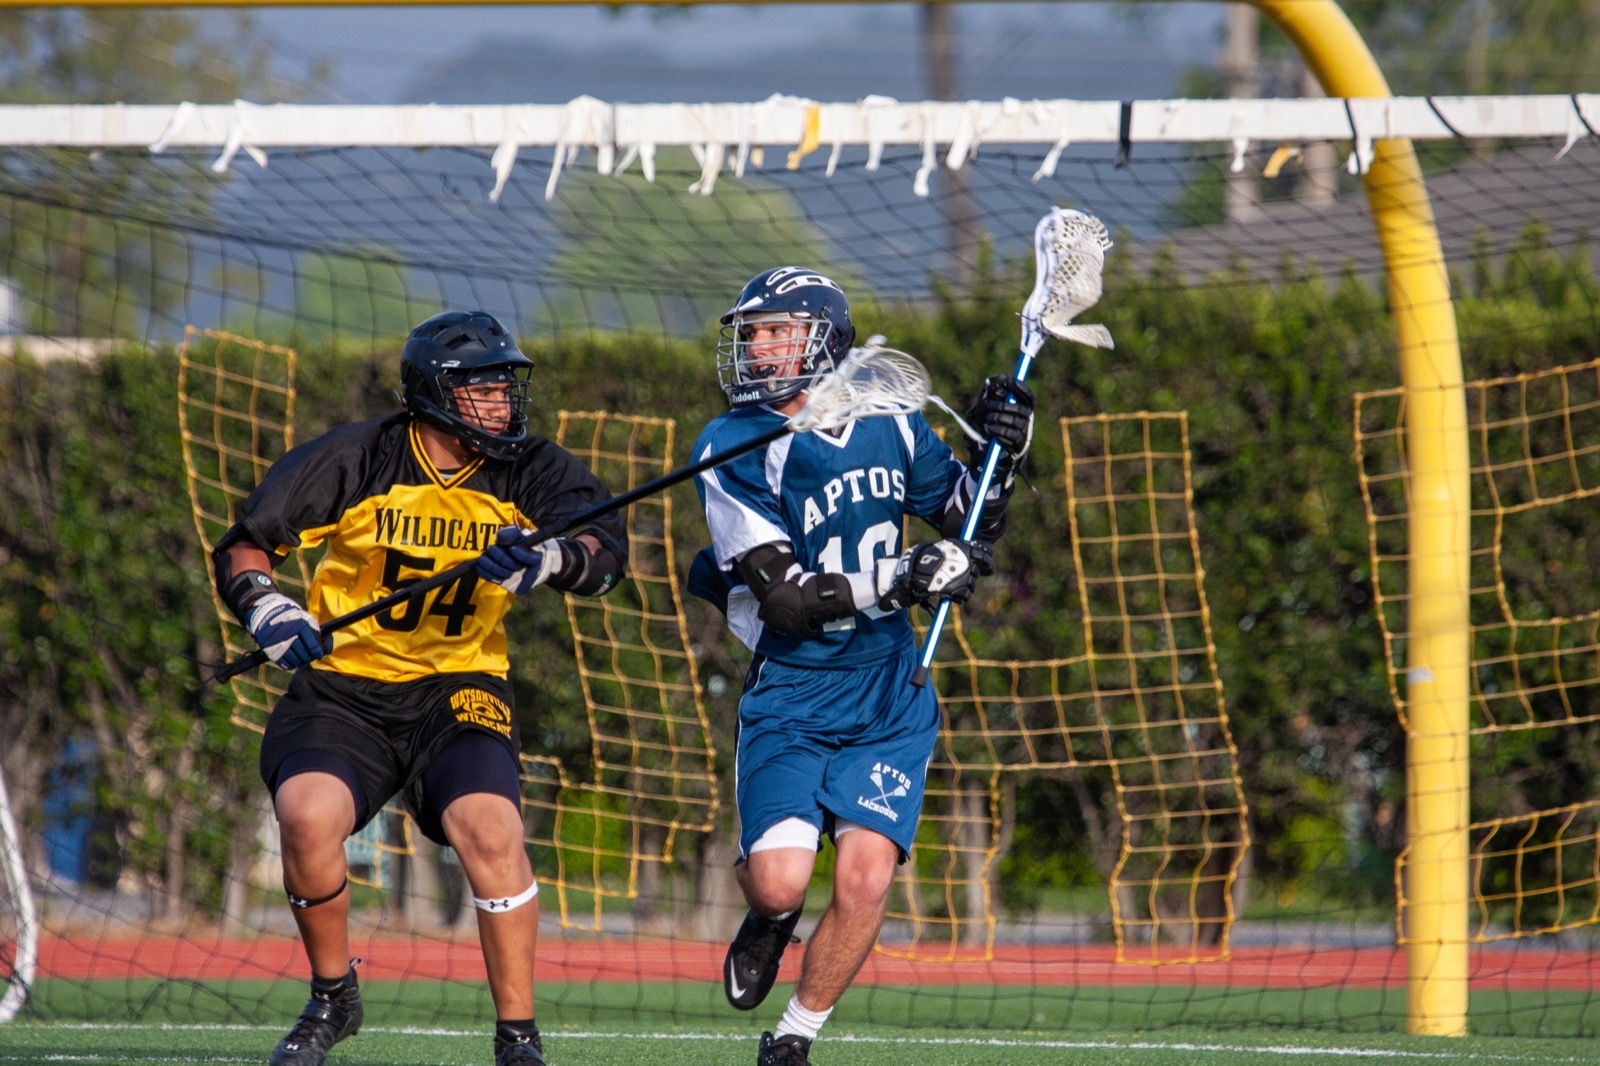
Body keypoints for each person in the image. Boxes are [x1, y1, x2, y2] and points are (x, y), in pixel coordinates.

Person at [211, 310, 627, 1066]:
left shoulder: (530, 466)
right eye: (483, 390)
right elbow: (246, 545)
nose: (502, 403)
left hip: (460, 685)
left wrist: (549, 561)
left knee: (491, 830)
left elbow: (605, 554)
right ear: (435, 394)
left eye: (505, 387)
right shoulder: (358, 457)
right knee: (306, 817)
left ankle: (519, 1038)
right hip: (347, 689)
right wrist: (268, 610)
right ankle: (333, 997)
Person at [687, 268, 1034, 1065]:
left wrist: (1003, 456)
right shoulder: (729, 446)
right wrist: (904, 576)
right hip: (794, 690)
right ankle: (769, 919)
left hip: (887, 692)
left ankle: (793, 1040)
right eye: (752, 333)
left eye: (777, 331)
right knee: (780, 880)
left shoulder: (891, 421)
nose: (758, 347)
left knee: (866, 879)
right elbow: (784, 600)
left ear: (824, 338)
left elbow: (968, 519)